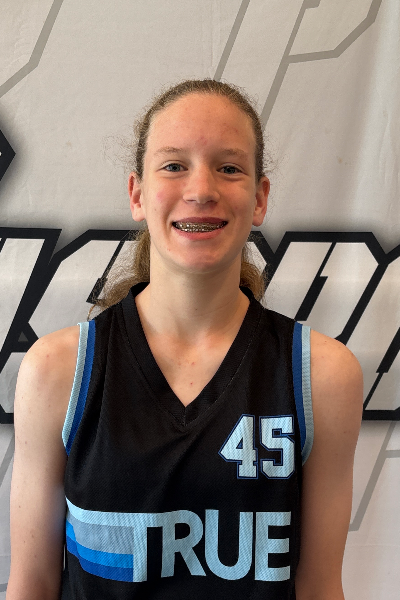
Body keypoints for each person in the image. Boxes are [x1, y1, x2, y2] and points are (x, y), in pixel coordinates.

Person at [7, 79, 363, 600]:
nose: (200, 190)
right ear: (137, 194)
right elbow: (32, 585)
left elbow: (320, 589)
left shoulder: (321, 375)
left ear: (260, 198)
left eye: (229, 168)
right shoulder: (58, 370)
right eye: (174, 165)